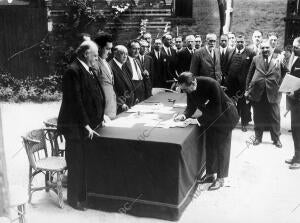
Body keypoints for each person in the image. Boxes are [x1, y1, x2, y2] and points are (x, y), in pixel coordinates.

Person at [57, 40, 105, 210]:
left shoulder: (86, 69)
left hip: (85, 125)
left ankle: (83, 196)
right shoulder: (73, 71)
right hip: (74, 126)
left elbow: (92, 96)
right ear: (86, 54)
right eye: (95, 55)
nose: (97, 58)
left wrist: (101, 116)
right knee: (76, 162)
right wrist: (85, 124)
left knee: (84, 161)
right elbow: (75, 101)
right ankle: (74, 200)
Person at [174, 72, 239, 190]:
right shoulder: (189, 88)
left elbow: (216, 111)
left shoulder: (211, 84)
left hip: (225, 117)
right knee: (210, 144)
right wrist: (184, 116)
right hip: (210, 117)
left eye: (185, 89)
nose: (184, 92)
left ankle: (221, 179)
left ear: (193, 83)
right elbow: (191, 106)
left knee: (221, 147)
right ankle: (210, 175)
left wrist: (197, 120)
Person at [245, 39, 288, 147]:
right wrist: (247, 90)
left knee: (275, 116)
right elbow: (249, 75)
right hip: (258, 92)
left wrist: (280, 84)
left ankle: (276, 139)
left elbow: (286, 72)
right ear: (260, 48)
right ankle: (258, 137)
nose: (265, 50)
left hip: (273, 92)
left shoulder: (278, 59)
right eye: (263, 48)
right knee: (258, 115)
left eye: (267, 47)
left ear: (271, 48)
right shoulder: (255, 59)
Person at [226, 35, 256, 132]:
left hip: (243, 84)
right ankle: (232, 121)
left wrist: (250, 83)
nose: (239, 43)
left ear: (244, 42)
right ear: (235, 42)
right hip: (231, 84)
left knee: (243, 104)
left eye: (241, 42)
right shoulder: (230, 52)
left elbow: (253, 69)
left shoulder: (250, 53)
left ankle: (244, 123)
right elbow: (226, 67)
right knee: (231, 104)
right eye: (238, 42)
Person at [94, 33, 116, 119]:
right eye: (107, 49)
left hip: (111, 110)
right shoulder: (95, 64)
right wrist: (100, 114)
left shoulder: (106, 62)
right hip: (102, 113)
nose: (110, 52)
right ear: (99, 48)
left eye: (111, 49)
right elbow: (94, 91)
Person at [285, 37, 300, 169]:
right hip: (295, 102)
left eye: (296, 47)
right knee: (295, 130)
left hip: (299, 101)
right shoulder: (297, 59)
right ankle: (296, 156)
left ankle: (299, 160)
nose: (294, 50)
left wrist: (295, 93)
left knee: (298, 130)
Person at [109, 45, 135, 114]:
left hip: (128, 104)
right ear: (115, 54)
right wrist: (121, 103)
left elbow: (129, 84)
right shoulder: (110, 66)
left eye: (126, 54)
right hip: (119, 106)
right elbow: (111, 89)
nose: (125, 56)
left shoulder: (124, 65)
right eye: (122, 53)